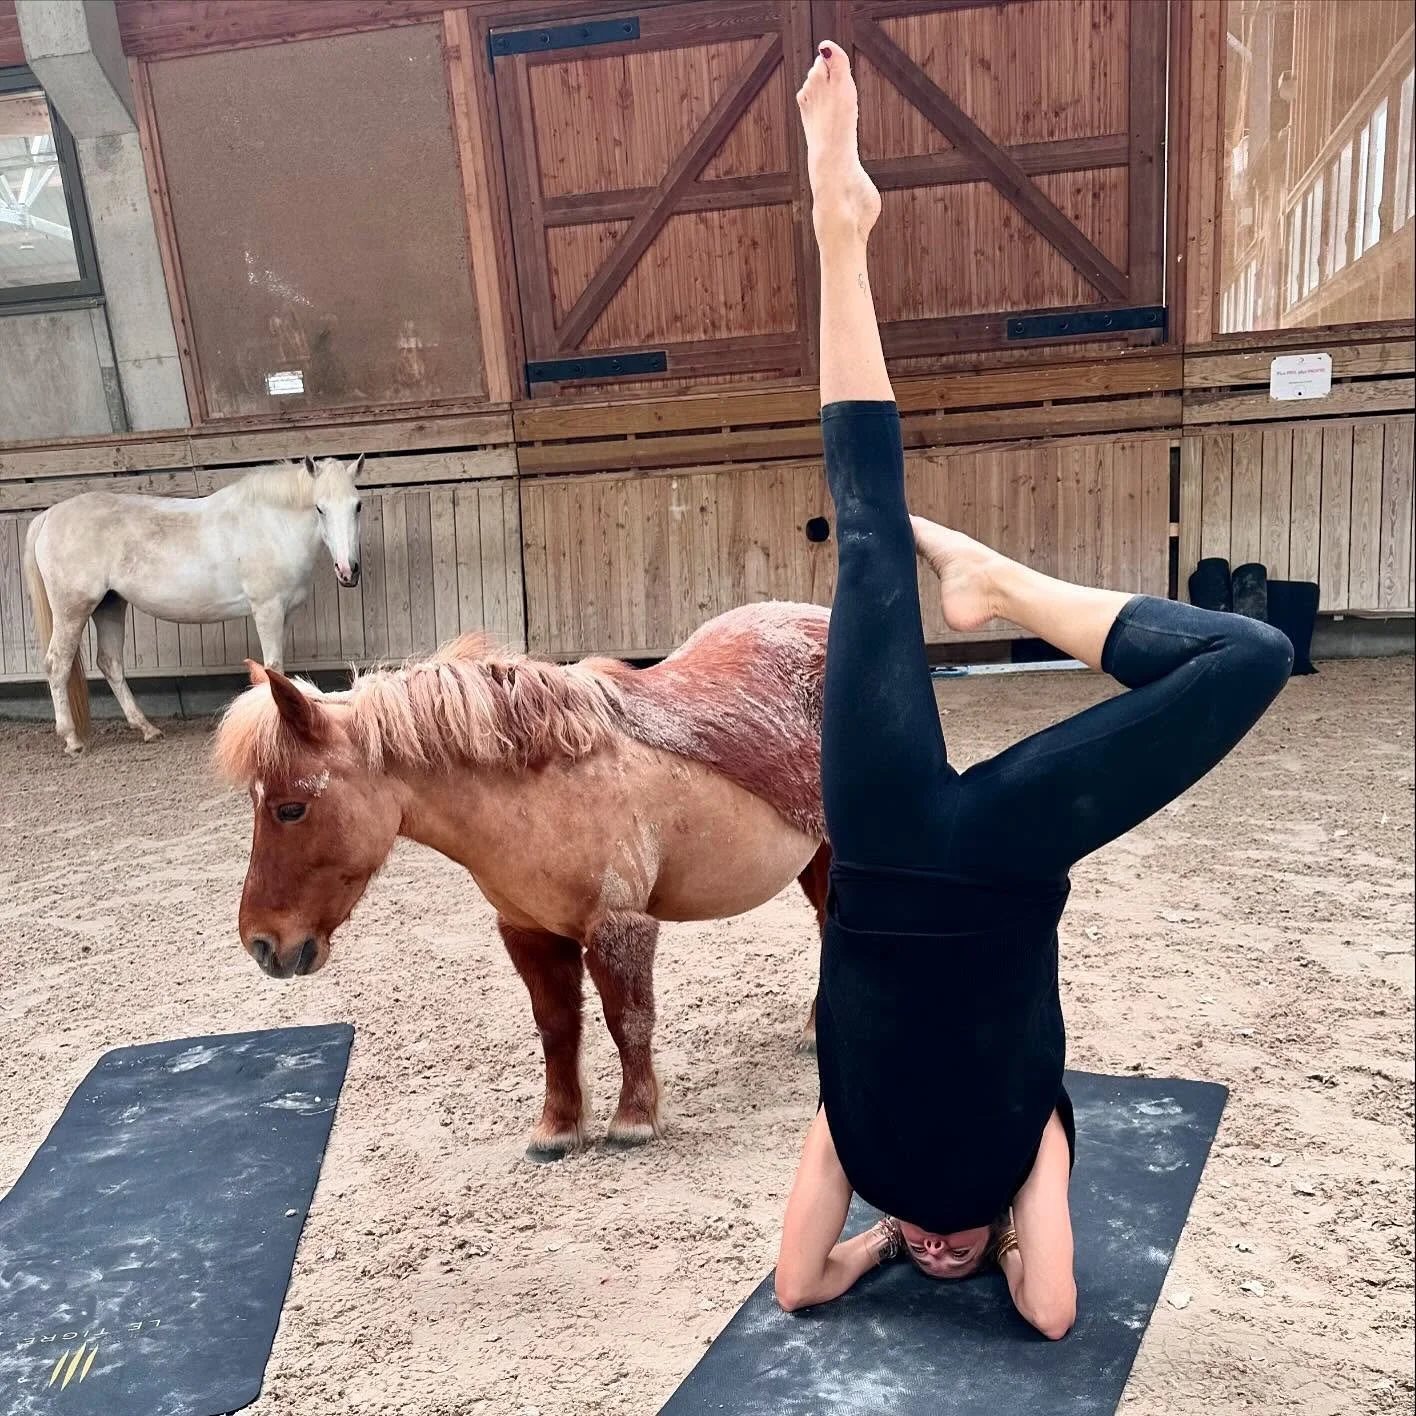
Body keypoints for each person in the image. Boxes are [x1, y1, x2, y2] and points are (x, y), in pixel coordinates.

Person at [773, 42, 1293, 1340]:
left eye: (920, 1252)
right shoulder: (989, 1158)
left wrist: (889, 1251)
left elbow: (802, 1285)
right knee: (1251, 658)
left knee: (873, 539)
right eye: (965, 1257)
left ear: (896, 1234)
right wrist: (968, 1240)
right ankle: (1004, 588)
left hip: (896, 852)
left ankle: (842, 232)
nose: (940, 1251)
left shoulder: (891, 1163)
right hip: (981, 863)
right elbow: (1045, 1311)